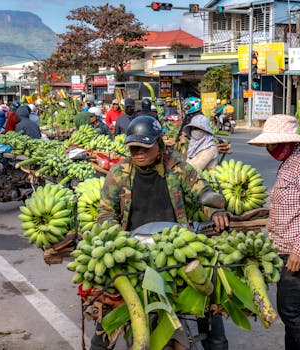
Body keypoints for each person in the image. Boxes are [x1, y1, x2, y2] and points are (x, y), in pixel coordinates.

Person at [95, 115, 229, 350]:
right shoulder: (119, 173)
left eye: (145, 147)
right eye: (134, 147)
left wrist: (214, 211)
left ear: (159, 145)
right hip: (134, 247)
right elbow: (105, 211)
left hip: (176, 245)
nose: (138, 152)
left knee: (208, 296)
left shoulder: (177, 168)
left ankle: (216, 344)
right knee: (108, 300)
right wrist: (114, 235)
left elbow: (202, 192)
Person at [247, 114, 300, 350]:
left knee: (290, 310)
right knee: (290, 309)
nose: (270, 148)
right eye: (268, 144)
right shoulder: (288, 164)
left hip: (299, 252)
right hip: (284, 249)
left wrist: (299, 251)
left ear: (290, 141)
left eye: (274, 143)